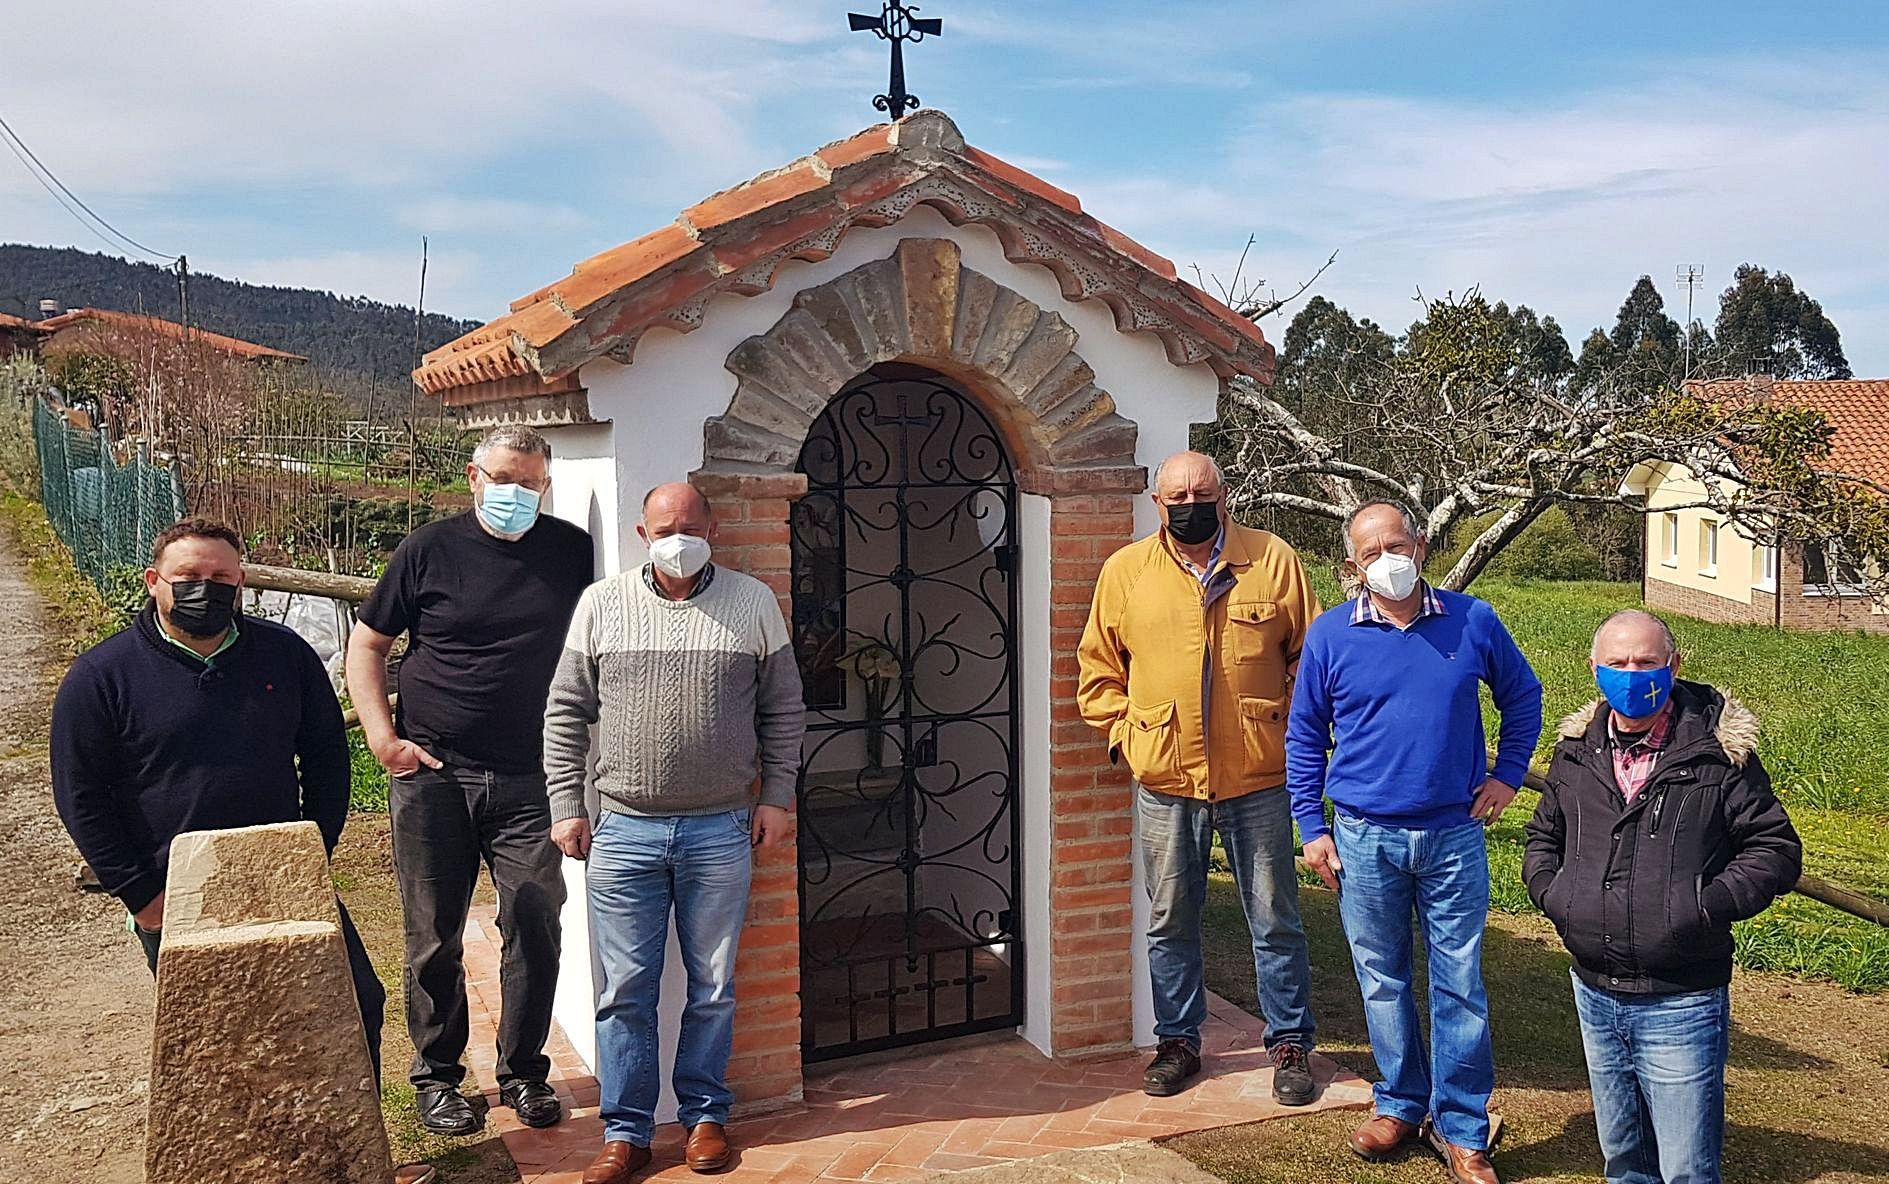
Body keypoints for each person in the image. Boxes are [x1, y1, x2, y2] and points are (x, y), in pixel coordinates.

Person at [51, 518, 433, 1184]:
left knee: (351, 1007)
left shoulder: (282, 656)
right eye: (188, 579)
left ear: (242, 581)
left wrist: (314, 849)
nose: (206, 590)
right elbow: (82, 797)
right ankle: (251, 1168)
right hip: (176, 892)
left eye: (221, 579)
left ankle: (354, 1160)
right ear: (154, 583)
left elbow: (324, 757)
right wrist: (142, 897)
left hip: (284, 871)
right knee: (222, 1042)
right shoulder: (101, 677)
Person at [543, 482, 802, 1183]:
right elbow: (565, 713)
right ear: (641, 532)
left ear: (711, 526)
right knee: (624, 990)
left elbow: (784, 710)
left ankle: (705, 1117)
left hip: (721, 828)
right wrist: (566, 803)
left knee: (712, 985)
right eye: (664, 527)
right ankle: (625, 1134)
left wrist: (776, 797)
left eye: (689, 524)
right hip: (622, 829)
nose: (677, 536)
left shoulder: (751, 603)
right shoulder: (602, 604)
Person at [1286, 500, 1543, 1184]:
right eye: (1369, 554)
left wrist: (1507, 776)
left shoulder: (1472, 620)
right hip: (1362, 836)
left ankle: (1461, 1129)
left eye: (1395, 546)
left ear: (1421, 546)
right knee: (1382, 979)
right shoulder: (1329, 636)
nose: (1385, 561)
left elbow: (1523, 696)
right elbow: (1304, 736)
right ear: (1350, 566)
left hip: (1452, 834)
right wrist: (1311, 829)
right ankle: (1398, 1103)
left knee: (1458, 983)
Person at [346, 424, 592, 1137]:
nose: (515, 494)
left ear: (545, 485)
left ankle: (523, 1073)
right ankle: (438, 1078)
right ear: (472, 476)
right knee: (433, 934)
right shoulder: (428, 549)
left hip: (535, 777)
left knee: (534, 923)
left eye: (529, 484)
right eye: (502, 480)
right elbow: (368, 643)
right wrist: (380, 734)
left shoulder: (573, 553)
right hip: (435, 776)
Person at [1076, 450, 1322, 1104]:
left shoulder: (1272, 560)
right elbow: (1097, 675)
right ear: (1157, 504)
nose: (1189, 504)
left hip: (1258, 777)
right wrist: (1131, 740)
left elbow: (1313, 663)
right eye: (1176, 495)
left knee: (1274, 917)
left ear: (1225, 495)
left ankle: (1290, 1043)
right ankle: (1178, 1042)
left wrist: (1285, 730)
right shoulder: (1126, 571)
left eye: (1201, 492)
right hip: (1166, 780)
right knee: (1169, 920)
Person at [1525, 610, 1800, 1184]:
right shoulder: (1577, 752)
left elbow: (1774, 848)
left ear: (1674, 666)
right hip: (1594, 989)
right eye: (1618, 663)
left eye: (1647, 662)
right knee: (1624, 1157)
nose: (1632, 674)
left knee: (1684, 1166)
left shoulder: (1717, 756)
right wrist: (1557, 896)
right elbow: (1544, 834)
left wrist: (1701, 908)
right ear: (1595, 670)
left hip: (1681, 994)